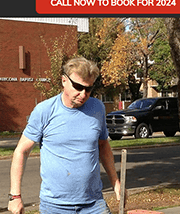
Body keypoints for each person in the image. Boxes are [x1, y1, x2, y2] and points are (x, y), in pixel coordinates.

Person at [8, 57, 123, 214]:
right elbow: (21, 151)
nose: (83, 94)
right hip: (55, 206)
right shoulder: (44, 111)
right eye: (77, 87)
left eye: (88, 89)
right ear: (64, 81)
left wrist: (116, 183)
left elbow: (103, 146)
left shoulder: (98, 108)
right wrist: (15, 196)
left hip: (93, 204)